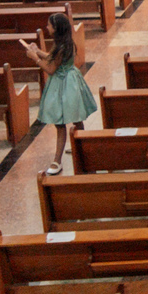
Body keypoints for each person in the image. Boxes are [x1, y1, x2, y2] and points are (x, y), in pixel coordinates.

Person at [23, 13, 96, 175]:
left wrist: (34, 58)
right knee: (77, 118)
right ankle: (81, 145)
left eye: (49, 25)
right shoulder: (63, 42)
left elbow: (50, 69)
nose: (47, 27)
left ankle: (57, 161)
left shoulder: (62, 46)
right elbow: (52, 57)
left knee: (60, 122)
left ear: (56, 28)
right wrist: (38, 51)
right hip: (70, 81)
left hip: (64, 84)